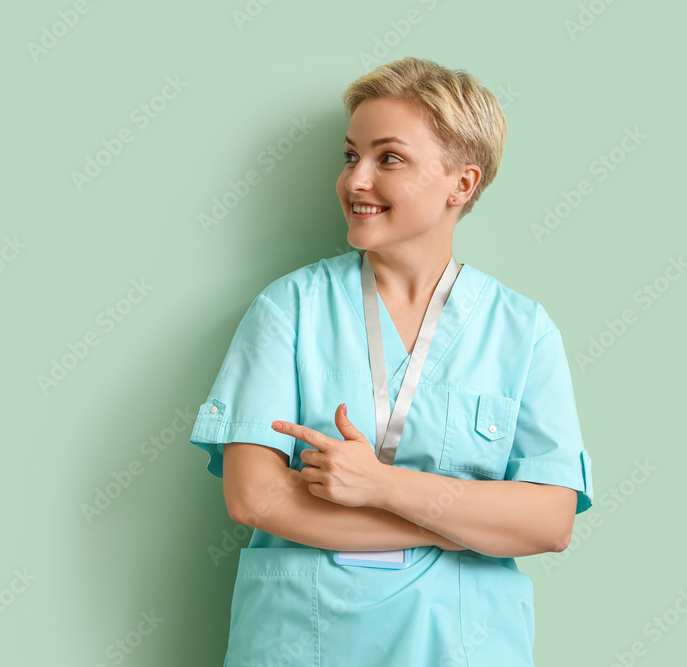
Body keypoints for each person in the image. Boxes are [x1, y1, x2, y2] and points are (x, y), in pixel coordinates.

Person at [189, 56, 594, 666]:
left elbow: (549, 521)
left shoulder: (523, 331)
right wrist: (462, 525)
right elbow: (257, 499)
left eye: (389, 159)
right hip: (308, 640)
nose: (355, 180)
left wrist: (381, 487)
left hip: (460, 644)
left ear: (462, 183)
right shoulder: (289, 310)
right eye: (351, 156)